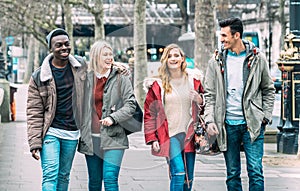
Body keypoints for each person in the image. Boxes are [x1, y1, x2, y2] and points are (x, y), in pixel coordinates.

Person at [203, 17, 275, 191]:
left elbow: (268, 90)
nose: (221, 39)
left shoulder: (258, 60)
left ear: (237, 35)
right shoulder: (216, 61)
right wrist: (210, 120)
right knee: (232, 174)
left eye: (224, 35)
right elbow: (210, 95)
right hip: (227, 126)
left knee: (255, 171)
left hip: (252, 125)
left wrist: (264, 117)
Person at [27, 28, 87, 190]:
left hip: (72, 133)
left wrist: (117, 67)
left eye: (67, 44)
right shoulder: (39, 77)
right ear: (51, 49)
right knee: (50, 173)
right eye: (58, 45)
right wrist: (34, 143)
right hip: (51, 132)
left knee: (64, 175)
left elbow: (102, 66)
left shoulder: (80, 66)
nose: (64, 48)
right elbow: (34, 112)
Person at [143, 43, 205, 191]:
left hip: (190, 134)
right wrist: (152, 138)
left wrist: (200, 100)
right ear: (164, 60)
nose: (173, 58)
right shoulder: (157, 85)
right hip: (169, 135)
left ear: (182, 59)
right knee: (178, 173)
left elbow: (207, 105)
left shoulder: (194, 80)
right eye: (169, 56)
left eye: (176, 55)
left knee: (188, 179)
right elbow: (149, 114)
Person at [77, 40, 136, 191]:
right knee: (95, 181)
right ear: (96, 56)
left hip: (114, 137)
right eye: (105, 54)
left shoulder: (121, 78)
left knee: (110, 178)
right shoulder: (85, 78)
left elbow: (131, 105)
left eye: (111, 54)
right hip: (91, 138)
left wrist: (113, 117)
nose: (109, 57)